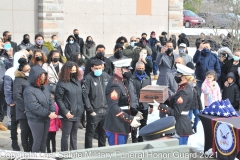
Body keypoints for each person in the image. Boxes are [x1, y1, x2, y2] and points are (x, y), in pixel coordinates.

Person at [149, 63, 195, 145]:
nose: (176, 76)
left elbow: (176, 112)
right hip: (179, 124)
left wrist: (160, 106)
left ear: (183, 77)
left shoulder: (183, 92)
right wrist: (162, 100)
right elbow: (174, 103)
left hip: (181, 125)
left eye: (178, 75)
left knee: (179, 153)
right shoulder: (182, 87)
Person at [104, 59, 143, 145]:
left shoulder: (120, 82)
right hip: (116, 126)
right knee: (118, 154)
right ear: (119, 69)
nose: (129, 71)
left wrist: (134, 111)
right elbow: (113, 107)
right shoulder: (115, 84)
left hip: (121, 125)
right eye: (126, 69)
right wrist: (129, 119)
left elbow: (123, 103)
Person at [23, 65, 57, 152]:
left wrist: (52, 110)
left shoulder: (44, 87)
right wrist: (49, 113)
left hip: (46, 118)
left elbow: (50, 100)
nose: (44, 77)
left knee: (44, 141)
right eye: (42, 75)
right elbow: (35, 107)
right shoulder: (29, 90)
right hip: (35, 120)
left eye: (44, 75)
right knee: (37, 141)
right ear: (36, 77)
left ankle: (43, 156)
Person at [55, 61, 84, 151]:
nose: (74, 72)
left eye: (75, 70)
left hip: (77, 113)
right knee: (66, 135)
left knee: (74, 135)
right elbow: (58, 99)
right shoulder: (61, 83)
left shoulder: (77, 82)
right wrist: (65, 111)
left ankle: (73, 152)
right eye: (72, 71)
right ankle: (64, 154)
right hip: (68, 113)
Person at [82, 59, 111, 148]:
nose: (98, 70)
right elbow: (85, 95)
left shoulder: (106, 76)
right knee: (90, 134)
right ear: (92, 68)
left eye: (100, 68)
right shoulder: (88, 78)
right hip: (94, 111)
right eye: (96, 68)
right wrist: (90, 110)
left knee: (103, 133)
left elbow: (110, 92)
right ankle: (88, 152)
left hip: (105, 111)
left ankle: (101, 151)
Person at [4, 51, 27, 151]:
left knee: (24, 126)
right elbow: (7, 88)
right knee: (14, 124)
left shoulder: (27, 71)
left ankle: (25, 143)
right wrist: (10, 101)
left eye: (24, 57)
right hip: (14, 103)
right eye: (20, 57)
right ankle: (14, 143)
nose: (22, 59)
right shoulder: (10, 71)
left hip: (25, 103)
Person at [13, 58, 32, 152]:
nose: (29, 71)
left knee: (31, 132)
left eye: (29, 70)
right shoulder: (18, 80)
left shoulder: (28, 78)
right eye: (27, 70)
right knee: (25, 132)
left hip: (31, 110)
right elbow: (17, 96)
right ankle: (26, 151)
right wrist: (24, 108)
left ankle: (31, 151)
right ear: (21, 70)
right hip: (23, 111)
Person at [131, 62, 153, 143]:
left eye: (142, 68)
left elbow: (150, 92)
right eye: (139, 68)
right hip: (135, 106)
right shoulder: (131, 78)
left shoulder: (147, 78)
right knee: (134, 124)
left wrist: (151, 106)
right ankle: (134, 140)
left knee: (143, 124)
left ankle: (141, 139)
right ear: (135, 68)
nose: (141, 70)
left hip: (145, 105)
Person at [186, 62, 203, 133]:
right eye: (194, 81)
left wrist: (200, 107)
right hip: (189, 107)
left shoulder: (195, 88)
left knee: (198, 117)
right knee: (189, 119)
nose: (195, 82)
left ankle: (194, 126)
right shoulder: (187, 88)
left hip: (195, 106)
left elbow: (198, 98)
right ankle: (189, 129)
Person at [0, 40, 13, 131]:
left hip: (3, 83)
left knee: (2, 103)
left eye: (2, 42)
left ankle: (0, 121)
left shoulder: (5, 55)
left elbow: (11, 67)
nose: (2, 44)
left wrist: (10, 56)